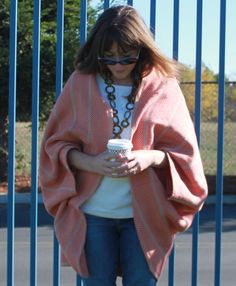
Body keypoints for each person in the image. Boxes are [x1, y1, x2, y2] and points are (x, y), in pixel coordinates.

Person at [39, 5, 208, 286]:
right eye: (109, 57)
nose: (117, 65)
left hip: (144, 216)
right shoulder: (81, 83)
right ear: (98, 50)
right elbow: (55, 144)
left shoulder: (164, 86)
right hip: (93, 216)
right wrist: (91, 162)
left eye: (126, 57)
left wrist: (150, 158)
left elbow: (184, 152)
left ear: (142, 49)